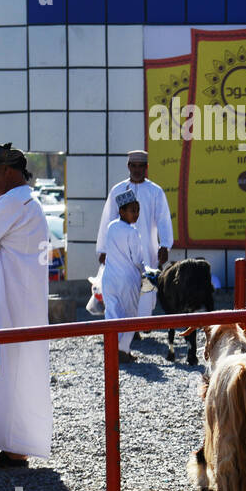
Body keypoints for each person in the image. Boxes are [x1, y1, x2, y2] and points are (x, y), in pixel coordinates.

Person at [0, 145, 53, 468]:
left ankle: (15, 450)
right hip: (26, 307)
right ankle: (15, 448)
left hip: (12, 309)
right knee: (20, 378)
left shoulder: (11, 203)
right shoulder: (32, 204)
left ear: (7, 171)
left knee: (10, 376)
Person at [96, 149, 172, 319]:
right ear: (128, 166)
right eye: (134, 166)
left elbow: (163, 219)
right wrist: (103, 249)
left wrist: (165, 245)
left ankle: (141, 323)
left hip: (147, 248)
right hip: (120, 252)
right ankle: (126, 326)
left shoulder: (155, 191)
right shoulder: (118, 190)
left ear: (146, 167)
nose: (137, 170)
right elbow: (107, 219)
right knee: (123, 286)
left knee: (145, 286)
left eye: (141, 166)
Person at [101, 190, 147, 363]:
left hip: (109, 278)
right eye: (132, 210)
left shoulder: (111, 226)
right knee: (130, 316)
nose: (136, 214)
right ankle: (122, 350)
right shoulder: (132, 232)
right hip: (128, 279)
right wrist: (146, 272)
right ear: (121, 211)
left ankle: (111, 350)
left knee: (112, 315)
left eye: (137, 210)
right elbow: (137, 259)